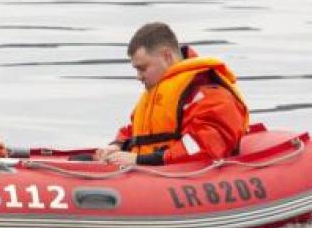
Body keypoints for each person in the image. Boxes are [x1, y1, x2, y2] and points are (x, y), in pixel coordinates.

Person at [95, 22, 250, 167]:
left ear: (167, 56)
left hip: (177, 175)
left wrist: (138, 160)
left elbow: (203, 147)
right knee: (80, 160)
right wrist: (117, 145)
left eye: (143, 68)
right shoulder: (157, 93)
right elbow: (135, 130)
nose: (138, 76)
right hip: (147, 171)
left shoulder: (210, 95)